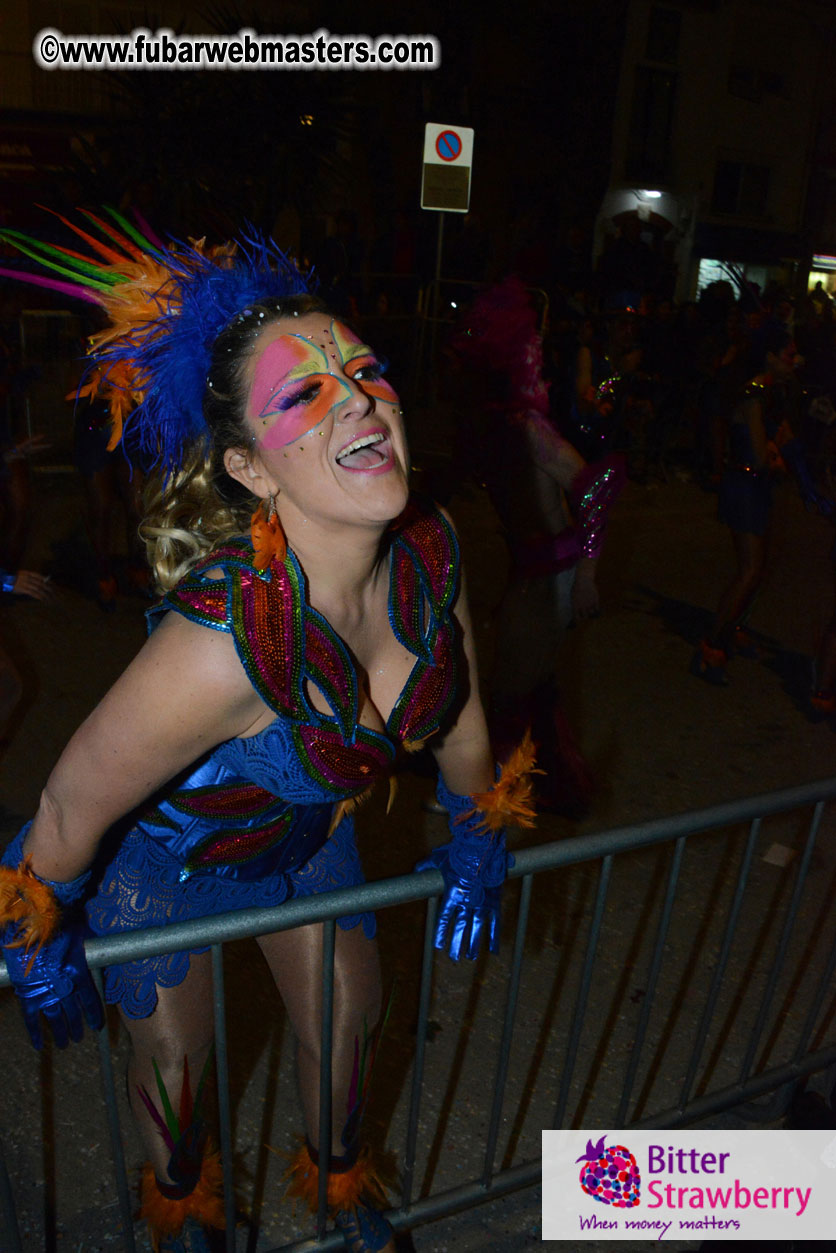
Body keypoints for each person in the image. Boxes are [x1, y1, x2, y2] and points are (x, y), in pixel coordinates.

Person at [0, 215, 537, 1253]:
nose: (360, 398)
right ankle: (182, 1215)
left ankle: (337, 1193)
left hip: (304, 839)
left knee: (349, 1025)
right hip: (166, 868)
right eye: (306, 393)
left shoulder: (433, 549)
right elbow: (73, 800)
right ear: (250, 469)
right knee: (176, 1076)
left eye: (366, 370)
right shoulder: (221, 640)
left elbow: (460, 706)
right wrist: (40, 931)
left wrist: (477, 831)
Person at [449, 278, 624, 815]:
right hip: (534, 570)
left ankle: (488, 797)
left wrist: (589, 574)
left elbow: (598, 485)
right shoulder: (497, 427)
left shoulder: (528, 427)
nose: (541, 365)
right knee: (529, 678)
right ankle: (544, 788)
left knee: (511, 685)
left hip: (554, 573)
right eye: (534, 354)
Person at [691, 323, 829, 685]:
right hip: (746, 486)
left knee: (757, 569)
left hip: (756, 487)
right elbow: (760, 454)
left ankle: (732, 628)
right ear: (770, 357)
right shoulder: (754, 394)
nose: (795, 359)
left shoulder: (773, 393)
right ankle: (711, 644)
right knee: (750, 571)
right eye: (788, 354)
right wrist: (782, 460)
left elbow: (783, 438)